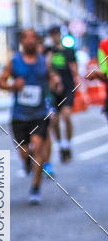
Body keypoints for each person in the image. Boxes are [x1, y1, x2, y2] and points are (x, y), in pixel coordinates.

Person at [0, 28, 60, 204]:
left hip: (39, 114)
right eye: (27, 38)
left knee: (38, 148)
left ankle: (35, 188)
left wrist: (55, 82)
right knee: (25, 152)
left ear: (37, 41)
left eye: (34, 38)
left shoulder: (44, 62)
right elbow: (0, 81)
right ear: (22, 42)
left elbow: (52, 77)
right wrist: (12, 86)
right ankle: (27, 163)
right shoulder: (14, 62)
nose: (31, 41)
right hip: (19, 115)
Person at [47, 25, 79, 162]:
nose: (55, 37)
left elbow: (75, 68)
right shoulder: (49, 51)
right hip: (54, 90)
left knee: (66, 115)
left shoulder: (69, 51)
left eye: (57, 34)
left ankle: (68, 143)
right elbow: (46, 67)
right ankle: (60, 144)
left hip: (68, 87)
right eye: (53, 34)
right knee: (54, 119)